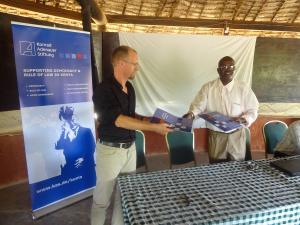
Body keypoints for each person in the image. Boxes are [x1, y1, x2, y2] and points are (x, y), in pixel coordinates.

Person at [91, 45, 171, 225]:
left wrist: (153, 121)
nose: (138, 68)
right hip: (110, 151)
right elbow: (119, 120)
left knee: (125, 198)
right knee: (102, 200)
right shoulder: (104, 90)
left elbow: (130, 116)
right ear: (120, 63)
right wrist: (153, 129)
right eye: (135, 64)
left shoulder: (130, 88)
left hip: (130, 149)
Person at [184, 56, 259, 163]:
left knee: (237, 164)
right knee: (216, 165)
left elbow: (253, 109)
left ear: (234, 69)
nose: (227, 69)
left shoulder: (243, 88)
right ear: (218, 70)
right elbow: (198, 106)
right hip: (216, 135)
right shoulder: (208, 87)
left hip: (236, 134)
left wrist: (244, 119)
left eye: (230, 66)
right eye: (223, 67)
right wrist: (191, 114)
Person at [55, 106, 96, 180]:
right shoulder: (64, 133)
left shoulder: (86, 131)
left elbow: (92, 147)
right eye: (63, 121)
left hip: (85, 166)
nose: (64, 123)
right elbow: (58, 146)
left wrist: (83, 158)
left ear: (72, 118)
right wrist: (64, 133)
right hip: (69, 166)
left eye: (65, 120)